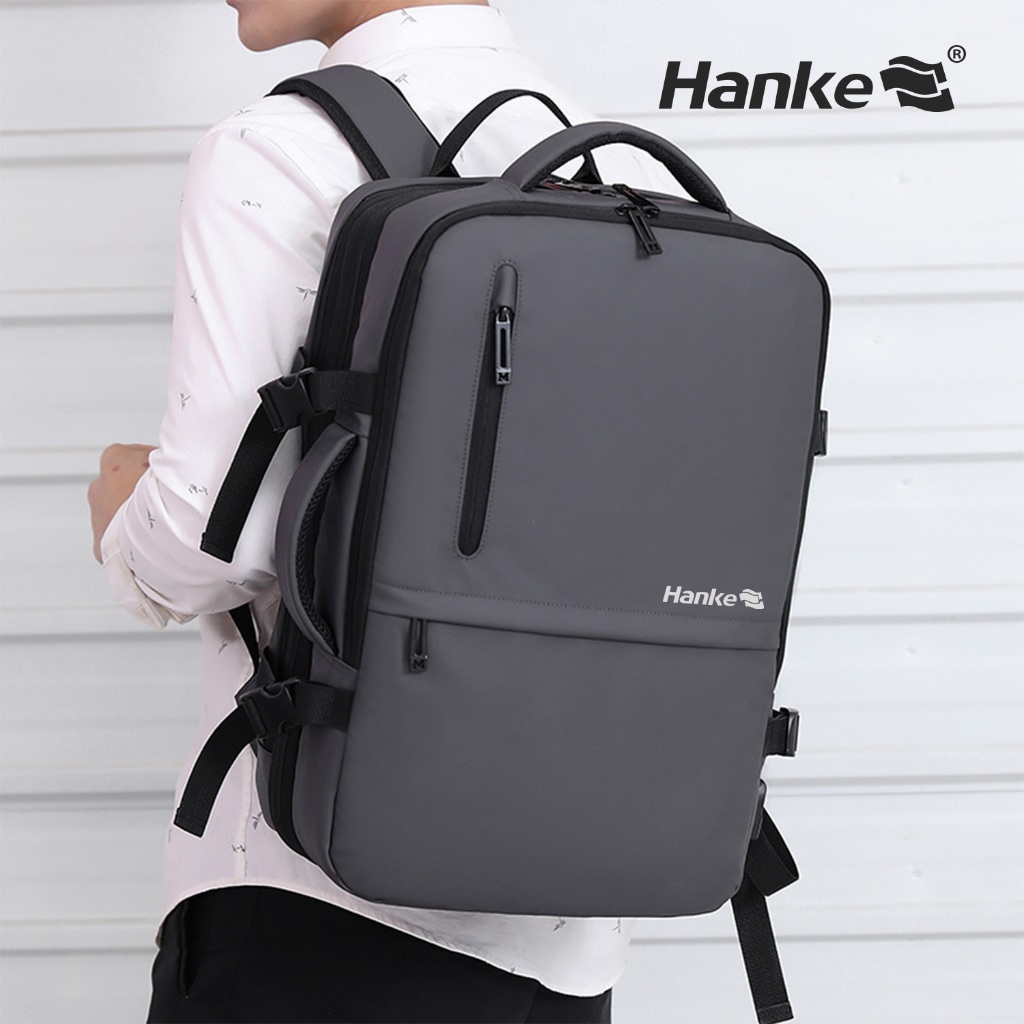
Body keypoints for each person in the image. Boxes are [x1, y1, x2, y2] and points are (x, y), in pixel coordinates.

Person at [87, 2, 678, 1020]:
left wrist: (118, 518)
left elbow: (210, 539)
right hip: (567, 924)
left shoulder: (275, 150)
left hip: (319, 900)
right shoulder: (613, 165)